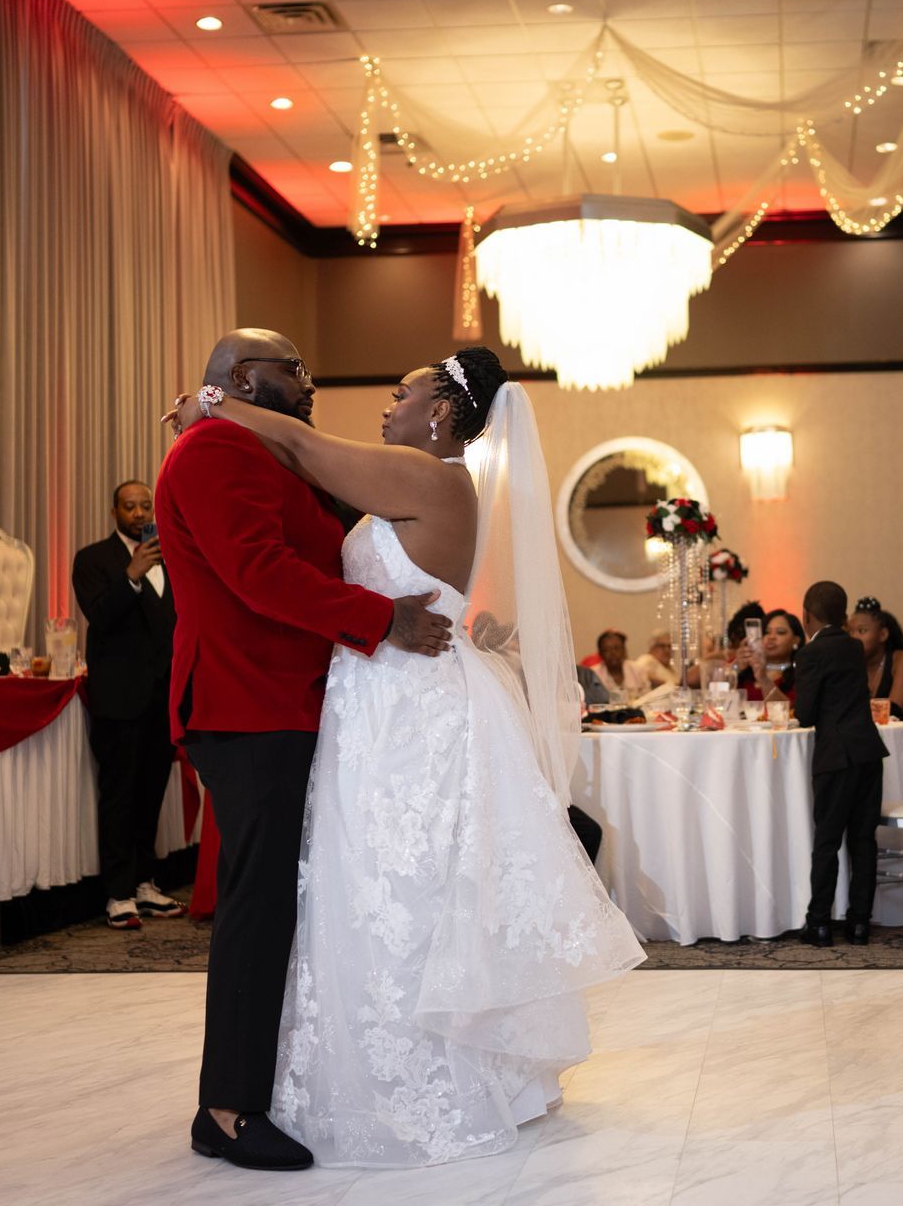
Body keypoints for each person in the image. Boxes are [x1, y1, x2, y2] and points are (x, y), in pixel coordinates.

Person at [179, 339, 643, 1168]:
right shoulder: (391, 478)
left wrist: (211, 405)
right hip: (357, 701)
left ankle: (402, 1078)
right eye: (297, 369)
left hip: (396, 704)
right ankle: (293, 1088)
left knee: (395, 889)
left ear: (438, 413)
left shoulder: (425, 477)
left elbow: (301, 450)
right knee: (366, 891)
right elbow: (273, 550)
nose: (374, 401)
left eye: (399, 392)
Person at [159, 329, 458, 1172]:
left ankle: (257, 1086)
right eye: (293, 369)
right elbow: (256, 571)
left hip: (281, 701)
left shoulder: (245, 441)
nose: (310, 380)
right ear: (244, 378)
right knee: (255, 910)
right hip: (247, 703)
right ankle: (226, 1110)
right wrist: (382, 620)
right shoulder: (216, 448)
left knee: (282, 903)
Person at [73, 481, 184, 931]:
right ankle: (118, 893)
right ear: (114, 510)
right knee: (119, 795)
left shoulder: (171, 556)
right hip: (119, 697)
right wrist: (132, 576)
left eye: (145, 506)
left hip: (163, 696)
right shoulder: (93, 559)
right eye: (129, 506)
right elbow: (100, 615)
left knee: (151, 792)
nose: (139, 514)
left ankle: (143, 882)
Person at [793, 581, 889, 947]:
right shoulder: (853, 647)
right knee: (864, 839)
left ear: (806, 616)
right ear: (845, 617)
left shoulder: (810, 653)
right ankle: (860, 923)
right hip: (868, 751)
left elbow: (805, 714)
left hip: (836, 755)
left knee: (828, 841)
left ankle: (818, 923)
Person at [850, 596, 903, 724]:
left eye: (861, 631)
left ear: (883, 634)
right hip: (871, 738)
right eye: (849, 632)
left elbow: (895, 711)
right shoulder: (852, 665)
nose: (853, 637)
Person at [737, 607, 804, 701]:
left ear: (796, 641)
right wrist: (736, 669)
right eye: (766, 632)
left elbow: (786, 711)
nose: (771, 637)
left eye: (780, 632)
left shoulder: (801, 675)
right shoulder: (746, 669)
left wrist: (763, 679)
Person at [588, 629, 649, 700]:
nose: (612, 653)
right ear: (600, 654)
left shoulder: (638, 670)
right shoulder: (593, 675)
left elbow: (648, 699)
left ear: (624, 650)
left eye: (616, 648)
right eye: (606, 650)